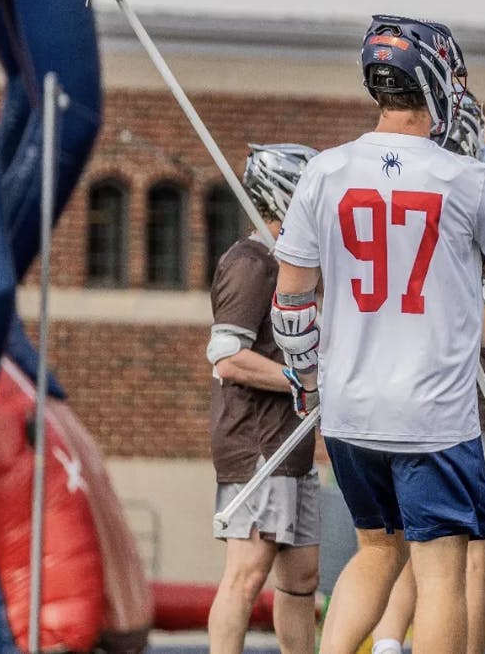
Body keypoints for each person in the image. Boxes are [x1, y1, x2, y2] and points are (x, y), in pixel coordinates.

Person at [269, 15, 485, 654]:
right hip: (432, 414)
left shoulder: (325, 172)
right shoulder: (465, 178)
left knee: (374, 551)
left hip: (349, 407)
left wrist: (307, 380)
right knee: (441, 568)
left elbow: (291, 299)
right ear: (431, 80)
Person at [368, 91, 485, 654]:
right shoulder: (472, 203)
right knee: (466, 557)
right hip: (460, 414)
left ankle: (386, 642)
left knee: (409, 545)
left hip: (389, 402)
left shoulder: (394, 202)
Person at [207, 143, 322, 654]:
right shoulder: (252, 263)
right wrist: (306, 383)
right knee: (246, 574)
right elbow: (228, 356)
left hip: (291, 446)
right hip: (259, 445)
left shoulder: (290, 262)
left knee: (301, 577)